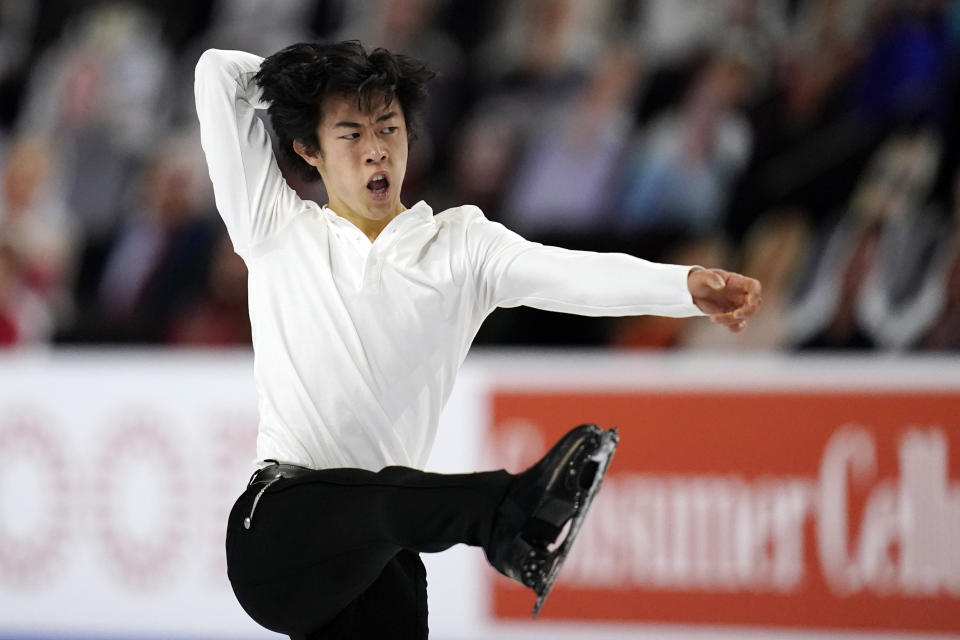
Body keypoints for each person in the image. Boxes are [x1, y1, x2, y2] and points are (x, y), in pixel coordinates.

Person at [194, 41, 761, 639]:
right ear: (309, 149)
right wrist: (301, 85)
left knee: (390, 521)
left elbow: (570, 273)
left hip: (379, 560)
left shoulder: (460, 247)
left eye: (389, 127)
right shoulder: (275, 227)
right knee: (385, 501)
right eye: (351, 134)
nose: (376, 150)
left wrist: (684, 287)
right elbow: (215, 72)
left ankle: (502, 515)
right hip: (280, 532)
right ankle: (507, 511)